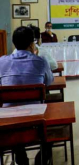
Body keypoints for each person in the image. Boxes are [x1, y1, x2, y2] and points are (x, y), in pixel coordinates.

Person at [0, 26, 54, 165]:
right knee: (52, 129)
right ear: (32, 43)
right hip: (36, 122)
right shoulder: (41, 61)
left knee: (14, 119)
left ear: (14, 44)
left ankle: (20, 156)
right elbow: (48, 82)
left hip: (8, 125)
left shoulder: (2, 62)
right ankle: (40, 159)